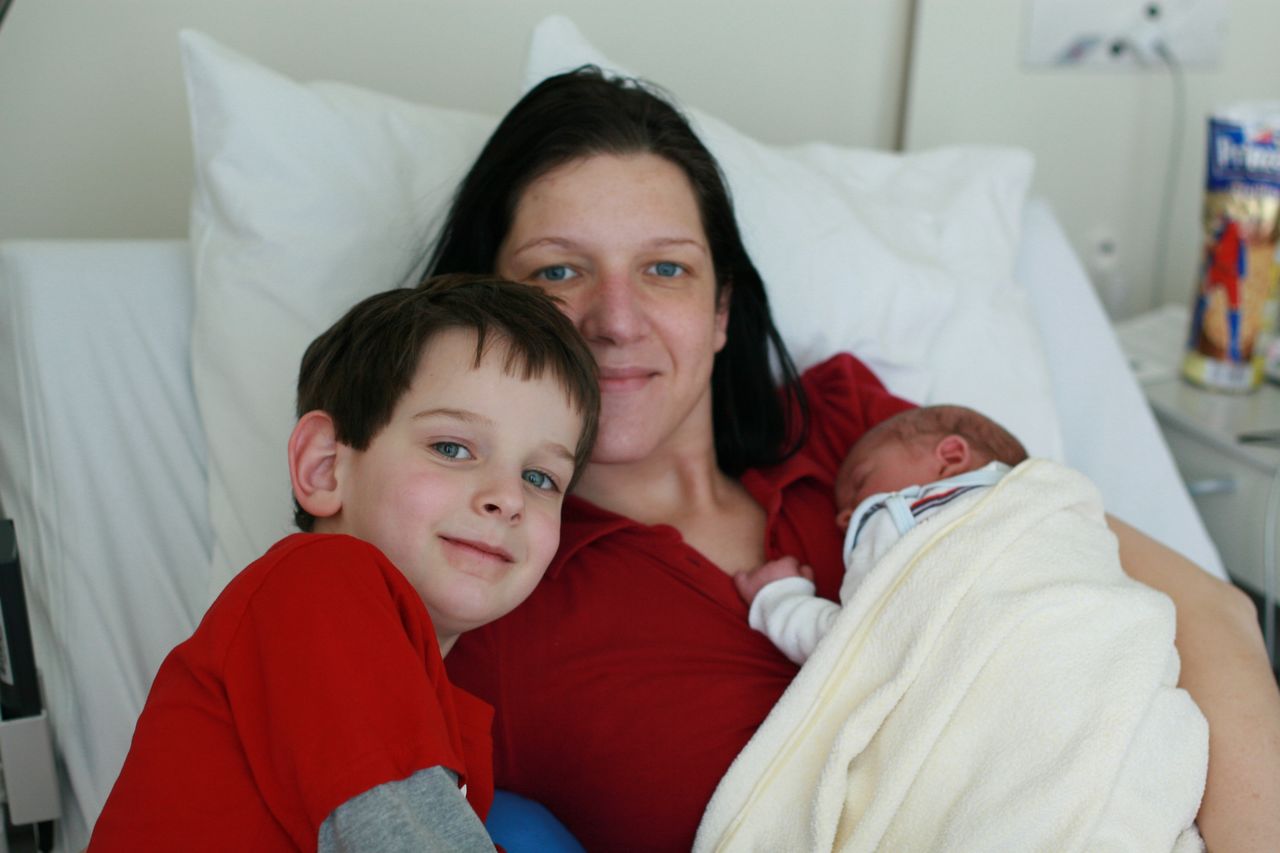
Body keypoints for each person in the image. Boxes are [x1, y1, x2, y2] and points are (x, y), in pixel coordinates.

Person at [430, 67, 1280, 852]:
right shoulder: (487, 597)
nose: (616, 320)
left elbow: (1205, 613)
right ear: (484, 306)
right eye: (558, 272)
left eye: (665, 268)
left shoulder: (865, 440)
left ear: (721, 309)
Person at [87, 275, 600, 852]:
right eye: (452, 448)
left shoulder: (445, 719)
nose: (507, 497)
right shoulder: (318, 582)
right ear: (325, 467)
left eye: (540, 478)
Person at [735, 405, 1028, 665]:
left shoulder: (898, 517)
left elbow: (855, 645)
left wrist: (779, 599)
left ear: (950, 457)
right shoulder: (1034, 498)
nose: (843, 518)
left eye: (860, 481)